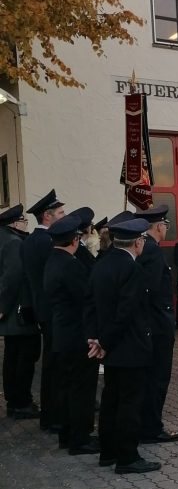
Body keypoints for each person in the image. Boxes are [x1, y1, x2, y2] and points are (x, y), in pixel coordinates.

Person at [85, 215, 160, 475]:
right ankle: (127, 457)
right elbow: (125, 313)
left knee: (111, 399)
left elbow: (90, 304)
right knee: (129, 403)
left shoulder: (101, 264)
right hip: (130, 345)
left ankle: (108, 451)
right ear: (138, 242)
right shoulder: (132, 269)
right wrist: (104, 341)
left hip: (110, 345)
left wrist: (96, 338)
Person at [43, 212, 100, 455]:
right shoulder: (71, 265)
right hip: (78, 336)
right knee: (82, 389)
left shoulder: (52, 261)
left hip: (62, 333)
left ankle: (66, 435)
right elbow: (85, 298)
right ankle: (81, 439)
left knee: (66, 387)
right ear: (75, 240)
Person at [21, 188, 65, 431]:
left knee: (51, 362)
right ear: (47, 215)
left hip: (43, 309)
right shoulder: (48, 241)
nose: (64, 216)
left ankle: (51, 415)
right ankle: (54, 416)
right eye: (60, 213)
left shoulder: (30, 240)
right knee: (55, 365)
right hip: (54, 310)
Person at [137, 204, 178, 445]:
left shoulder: (145, 248)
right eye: (165, 224)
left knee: (151, 377)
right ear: (158, 226)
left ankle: (147, 423)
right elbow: (152, 290)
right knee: (158, 377)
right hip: (157, 324)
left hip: (151, 323)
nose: (166, 228)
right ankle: (152, 427)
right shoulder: (152, 251)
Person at [0, 204, 41, 419]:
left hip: (13, 313)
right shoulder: (14, 242)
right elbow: (12, 278)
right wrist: (2, 307)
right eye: (24, 221)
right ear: (15, 223)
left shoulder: (5, 239)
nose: (26, 224)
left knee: (12, 357)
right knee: (23, 359)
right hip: (19, 313)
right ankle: (20, 403)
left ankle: (14, 401)